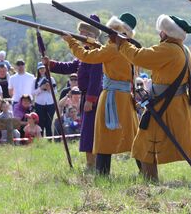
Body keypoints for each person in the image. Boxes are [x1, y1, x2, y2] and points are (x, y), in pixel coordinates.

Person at [115, 14, 191, 182]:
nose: (160, 34)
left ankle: (149, 182)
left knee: (144, 142)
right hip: (177, 104)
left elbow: (139, 57)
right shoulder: (182, 49)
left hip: (164, 105)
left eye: (162, 31)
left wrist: (122, 44)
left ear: (167, 33)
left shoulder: (169, 49)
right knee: (188, 142)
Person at [61, 13, 140, 175]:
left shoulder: (113, 48)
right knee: (133, 135)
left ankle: (102, 173)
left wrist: (71, 41)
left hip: (112, 96)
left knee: (104, 137)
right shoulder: (129, 47)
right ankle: (145, 171)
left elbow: (86, 56)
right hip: (125, 97)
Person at [45, 14, 104, 171]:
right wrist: (50, 64)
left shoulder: (97, 51)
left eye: (87, 33)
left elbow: (96, 79)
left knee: (91, 133)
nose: (83, 36)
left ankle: (94, 165)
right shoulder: (84, 52)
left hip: (94, 98)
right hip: (87, 97)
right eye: (82, 33)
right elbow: (70, 67)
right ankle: (90, 164)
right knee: (87, 133)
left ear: (93, 35)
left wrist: (90, 100)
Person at [33, 62, 57, 137]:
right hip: (39, 104)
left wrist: (49, 88)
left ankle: (49, 141)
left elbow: (55, 91)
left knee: (49, 123)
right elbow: (33, 92)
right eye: (40, 68)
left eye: (43, 68)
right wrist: (41, 88)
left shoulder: (51, 79)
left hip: (50, 104)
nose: (42, 70)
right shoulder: (35, 80)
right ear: (38, 70)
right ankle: (41, 140)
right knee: (41, 123)